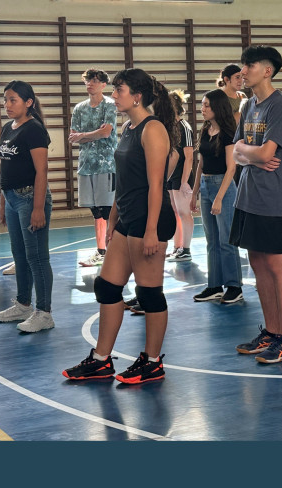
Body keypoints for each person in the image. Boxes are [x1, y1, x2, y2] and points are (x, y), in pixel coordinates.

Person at [62, 69, 178, 384]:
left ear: (137, 96)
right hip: (128, 217)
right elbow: (124, 179)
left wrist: (151, 230)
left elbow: (156, 185)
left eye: (119, 90)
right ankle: (101, 360)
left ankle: (152, 362)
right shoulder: (128, 127)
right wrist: (114, 217)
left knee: (149, 293)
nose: (114, 96)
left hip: (149, 219)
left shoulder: (153, 130)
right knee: (107, 287)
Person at [230, 45, 282, 364]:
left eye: (250, 65)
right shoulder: (248, 105)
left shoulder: (280, 105)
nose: (243, 71)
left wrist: (250, 154)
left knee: (276, 264)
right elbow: (236, 150)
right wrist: (250, 154)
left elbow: (267, 153)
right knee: (256, 261)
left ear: (267, 71)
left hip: (272, 197)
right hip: (248, 194)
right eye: (243, 65)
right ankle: (271, 332)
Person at [0, 80, 55, 333]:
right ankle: (23, 304)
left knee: (37, 257)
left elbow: (42, 171)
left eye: (13, 100)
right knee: (19, 255)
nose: (7, 105)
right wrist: (3, 202)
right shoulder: (9, 127)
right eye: (5, 100)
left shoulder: (34, 130)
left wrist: (38, 208)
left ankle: (44, 313)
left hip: (30, 198)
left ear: (28, 102)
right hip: (11, 198)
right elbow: (5, 168)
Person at [189, 88, 241, 303]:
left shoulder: (228, 133)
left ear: (217, 107)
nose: (202, 108)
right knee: (211, 240)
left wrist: (219, 197)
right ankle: (214, 285)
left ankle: (234, 286)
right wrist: (194, 192)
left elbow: (231, 168)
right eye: (202, 104)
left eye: (207, 105)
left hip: (223, 186)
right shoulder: (205, 130)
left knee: (226, 239)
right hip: (206, 185)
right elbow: (200, 164)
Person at [68, 68, 118, 268]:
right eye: (88, 80)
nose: (91, 83)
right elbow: (73, 136)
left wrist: (83, 135)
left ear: (104, 84)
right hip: (86, 165)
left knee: (108, 210)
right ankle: (101, 251)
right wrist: (89, 135)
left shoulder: (110, 105)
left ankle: (113, 250)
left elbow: (106, 133)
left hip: (106, 164)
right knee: (95, 212)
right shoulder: (79, 108)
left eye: (95, 80)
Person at [165, 90, 195, 263]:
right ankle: (178, 247)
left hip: (182, 177)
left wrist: (184, 182)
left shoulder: (185, 127)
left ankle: (186, 250)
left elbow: (189, 157)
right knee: (175, 212)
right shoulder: (170, 127)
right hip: (171, 176)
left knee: (184, 213)